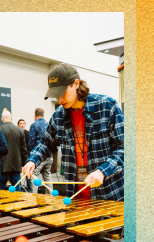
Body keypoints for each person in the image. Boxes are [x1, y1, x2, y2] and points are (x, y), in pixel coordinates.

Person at [23, 63, 124, 201]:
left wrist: (102, 171)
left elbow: (124, 148)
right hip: (75, 196)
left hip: (109, 195)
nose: (59, 99)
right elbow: (46, 143)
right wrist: (32, 160)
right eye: (55, 95)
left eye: (63, 93)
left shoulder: (107, 106)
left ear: (76, 84)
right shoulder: (59, 115)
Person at [0, 110, 28, 190]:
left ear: (2, 119)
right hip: (16, 164)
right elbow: (23, 149)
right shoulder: (20, 130)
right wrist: (25, 163)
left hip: (2, 165)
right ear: (11, 118)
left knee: (0, 188)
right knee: (16, 187)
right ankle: (18, 202)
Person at [28, 108, 52, 194]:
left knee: (34, 176)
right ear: (43, 115)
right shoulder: (49, 124)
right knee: (47, 176)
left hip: (38, 156)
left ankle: (34, 198)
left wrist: (30, 158)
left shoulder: (34, 125)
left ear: (35, 115)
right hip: (49, 155)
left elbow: (31, 142)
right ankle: (51, 197)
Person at [17, 119, 31, 191]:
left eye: (23, 124)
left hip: (27, 156)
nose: (22, 125)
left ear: (25, 125)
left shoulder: (28, 133)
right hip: (18, 156)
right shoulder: (16, 133)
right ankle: (19, 188)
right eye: (20, 124)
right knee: (17, 174)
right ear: (18, 125)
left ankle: (29, 189)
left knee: (27, 173)